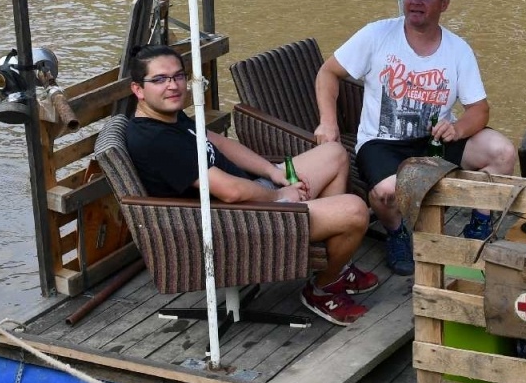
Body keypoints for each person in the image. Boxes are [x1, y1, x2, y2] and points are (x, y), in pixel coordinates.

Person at [127, 46, 377, 326]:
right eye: (159, 79)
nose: (173, 86)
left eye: (178, 76)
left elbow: (221, 143)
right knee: (355, 211)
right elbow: (230, 192)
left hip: (251, 195)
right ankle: (322, 287)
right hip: (233, 221)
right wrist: (279, 194)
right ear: (138, 89)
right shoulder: (156, 140)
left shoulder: (169, 116)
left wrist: (274, 172)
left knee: (335, 154)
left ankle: (334, 263)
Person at [315, 0, 517, 275]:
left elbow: (479, 109)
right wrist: (328, 121)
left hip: (435, 141)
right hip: (382, 142)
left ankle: (479, 223)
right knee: (386, 192)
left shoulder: (458, 49)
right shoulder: (376, 35)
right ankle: (397, 233)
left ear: (444, 3)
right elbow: (328, 72)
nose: (416, 2)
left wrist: (457, 128)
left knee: (503, 152)